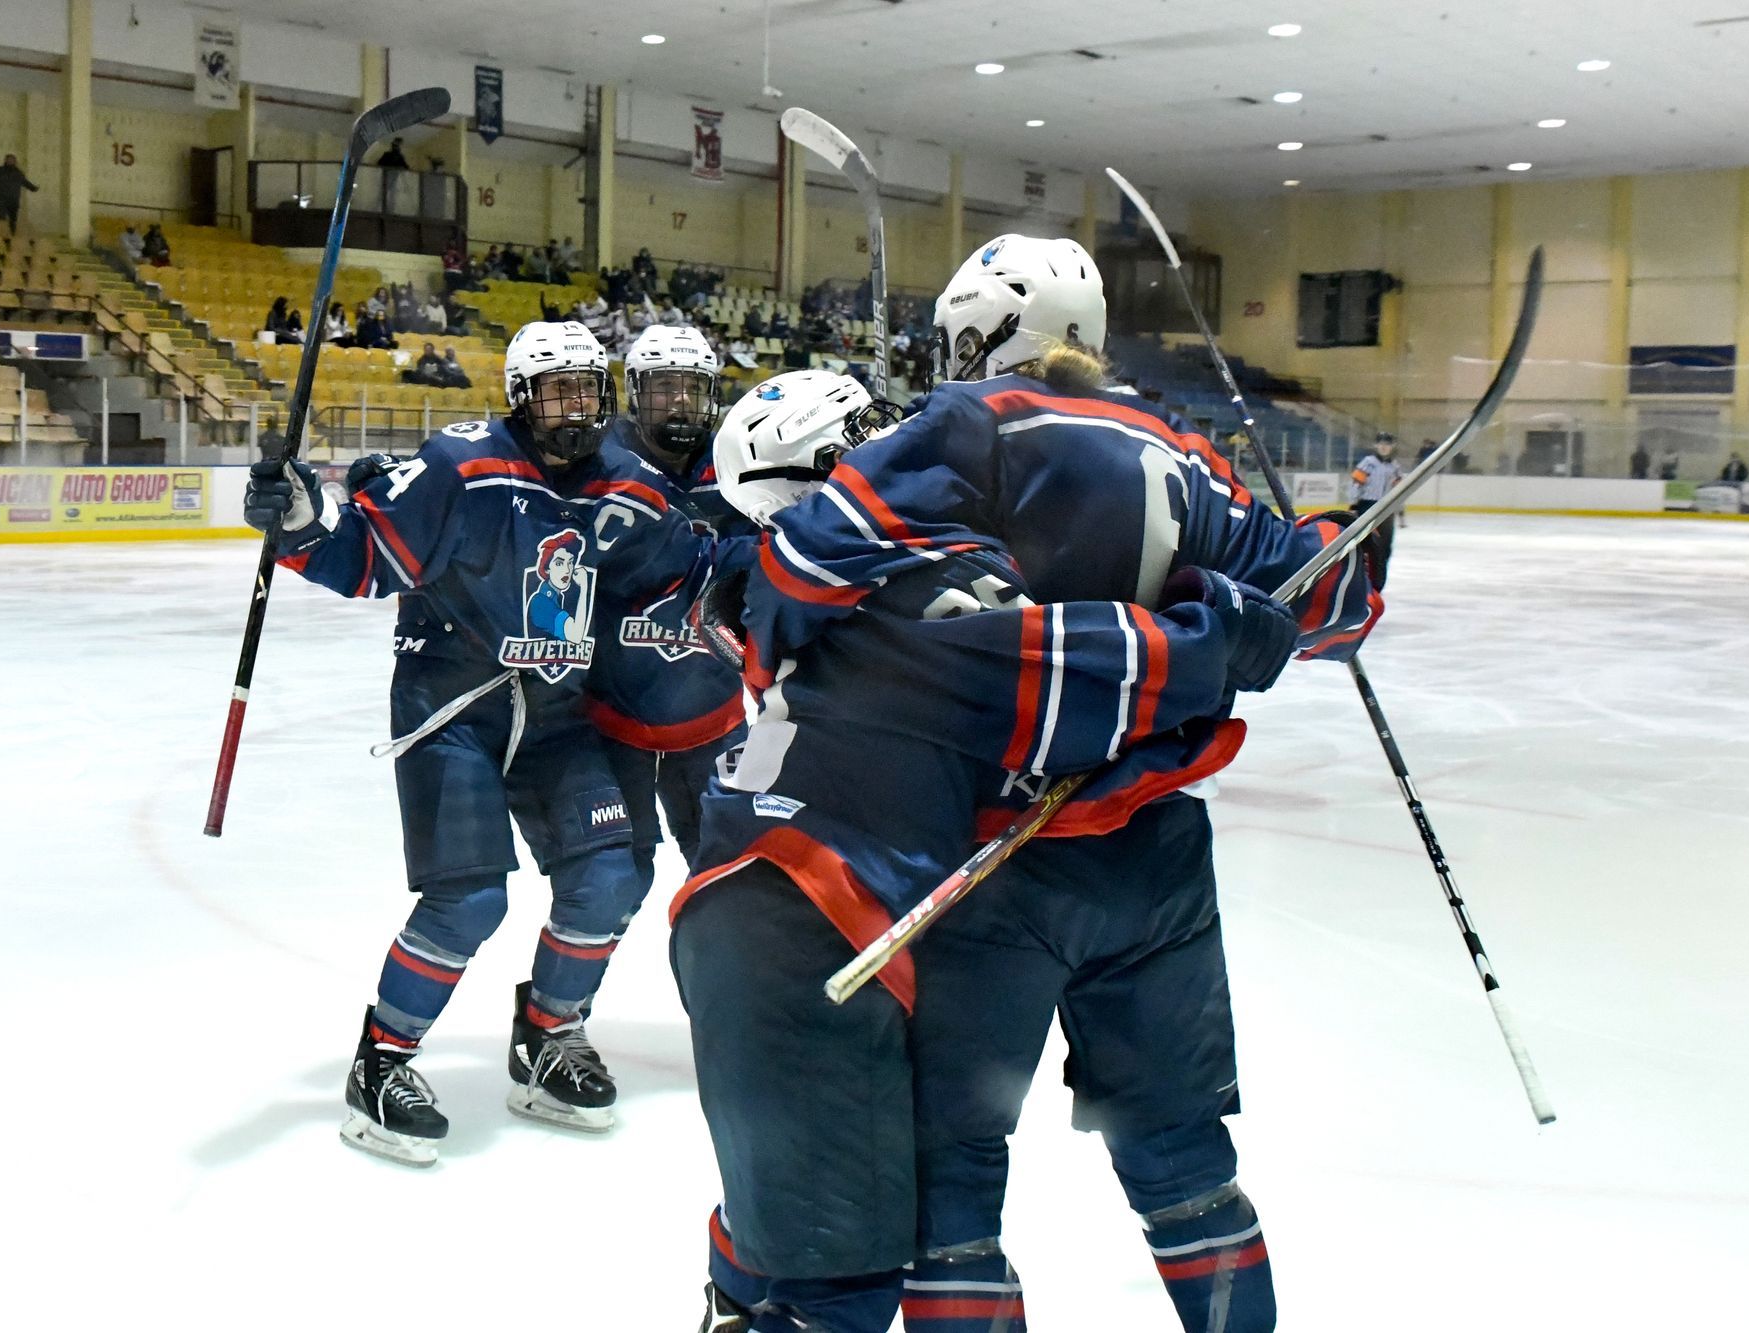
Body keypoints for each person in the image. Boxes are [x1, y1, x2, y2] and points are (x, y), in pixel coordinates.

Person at [685, 235, 1386, 1333]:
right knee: (1181, 1158)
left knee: (953, 1183)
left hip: (986, 857)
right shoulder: (1184, 452)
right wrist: (1336, 542)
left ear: (978, 331)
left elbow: (804, 568)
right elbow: (1328, 603)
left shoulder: (968, 426)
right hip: (1152, 862)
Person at [242, 320, 737, 1166]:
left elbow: (699, 564)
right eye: (557, 390)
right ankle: (384, 1058)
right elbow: (362, 557)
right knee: (469, 900)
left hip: (556, 718)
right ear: (521, 397)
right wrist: (299, 520)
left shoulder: (631, 484)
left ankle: (549, 1034)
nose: (575, 406)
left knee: (612, 874)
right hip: (452, 711)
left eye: (588, 389)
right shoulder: (460, 466)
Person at [589, 325, 750, 913]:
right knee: (609, 889)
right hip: (610, 714)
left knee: (731, 887)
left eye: (692, 387)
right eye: (664, 387)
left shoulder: (743, 459)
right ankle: (556, 1006)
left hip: (715, 714)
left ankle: (726, 1007)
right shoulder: (595, 462)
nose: (679, 400)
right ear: (634, 391)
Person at [1352, 431, 1407, 544]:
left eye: (1387, 444)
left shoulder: (1395, 467)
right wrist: (1353, 505)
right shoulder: (1367, 463)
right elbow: (1355, 485)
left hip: (1386, 508)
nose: (1383, 447)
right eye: (1381, 443)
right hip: (1367, 505)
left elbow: (1399, 491)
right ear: (1375, 445)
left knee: (1385, 542)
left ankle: (1383, 562)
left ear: (1392, 446)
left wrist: (1400, 512)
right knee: (1365, 541)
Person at [0, 154, 39, 232]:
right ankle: (0, 234)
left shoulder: (18, 173)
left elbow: (25, 182)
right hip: (2, 197)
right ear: (5, 160)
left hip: (14, 199)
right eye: (8, 159)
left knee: (13, 219)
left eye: (12, 160)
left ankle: (12, 235)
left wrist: (33, 188)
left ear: (15, 162)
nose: (10, 161)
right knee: (1, 217)